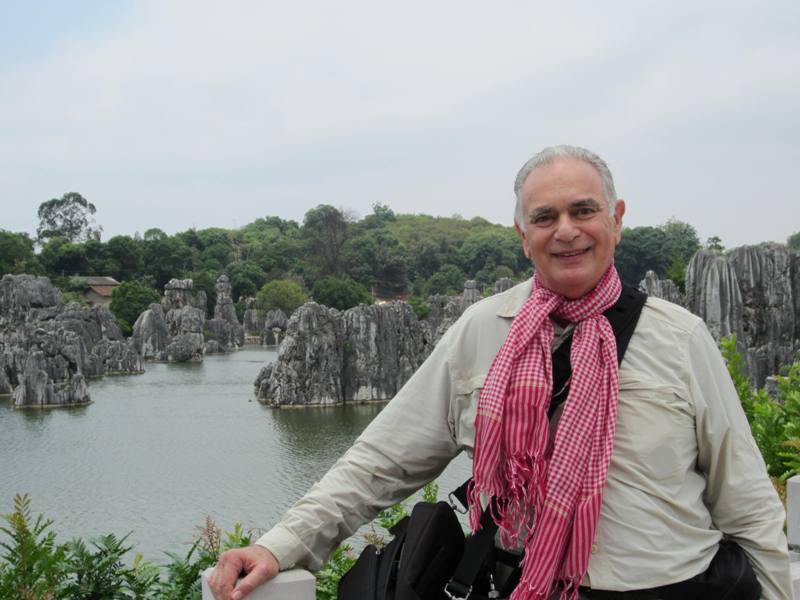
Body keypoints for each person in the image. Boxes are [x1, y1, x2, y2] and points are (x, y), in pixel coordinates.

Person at [210, 145, 792, 599]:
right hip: (524, 587)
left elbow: (746, 503)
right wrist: (280, 544)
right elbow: (379, 461)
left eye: (583, 210)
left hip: (675, 591)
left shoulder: (680, 337)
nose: (566, 229)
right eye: (545, 216)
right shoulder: (482, 330)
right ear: (523, 235)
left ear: (615, 219)